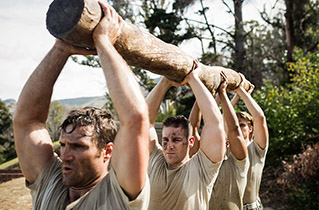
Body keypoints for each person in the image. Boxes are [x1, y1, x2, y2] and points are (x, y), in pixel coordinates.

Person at [13, 2, 150, 209]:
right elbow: (27, 122)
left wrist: (104, 41)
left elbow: (135, 118)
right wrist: (61, 48)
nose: (65, 155)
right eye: (63, 145)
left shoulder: (120, 193)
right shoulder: (50, 183)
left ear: (107, 151)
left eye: (78, 146)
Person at [146, 60, 226, 210]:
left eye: (176, 140)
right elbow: (143, 121)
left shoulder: (202, 168)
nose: (168, 145)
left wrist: (193, 79)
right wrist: (165, 82)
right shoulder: (156, 159)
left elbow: (215, 124)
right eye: (165, 140)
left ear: (190, 142)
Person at [231, 78, 269, 210]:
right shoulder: (228, 147)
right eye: (236, 125)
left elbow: (260, 118)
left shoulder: (257, 148)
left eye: (242, 125)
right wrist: (237, 95)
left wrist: (241, 91)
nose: (238, 128)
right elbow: (224, 121)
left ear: (251, 128)